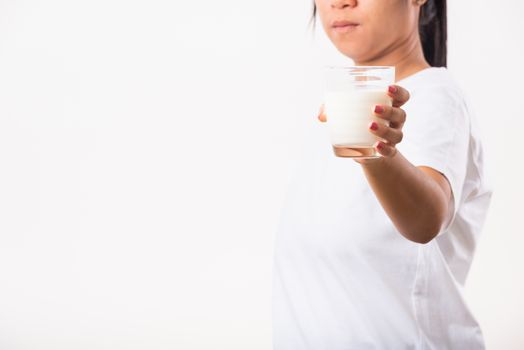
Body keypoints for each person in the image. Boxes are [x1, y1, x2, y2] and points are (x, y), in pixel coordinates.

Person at [271, 0, 493, 349]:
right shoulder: (341, 107)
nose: (340, 2)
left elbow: (426, 219)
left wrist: (378, 156)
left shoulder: (436, 98)